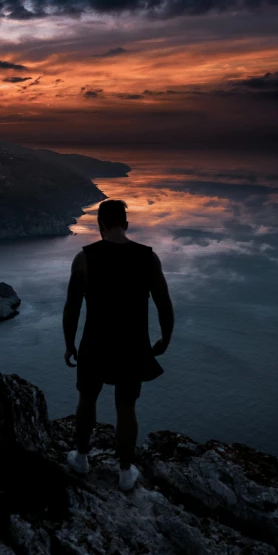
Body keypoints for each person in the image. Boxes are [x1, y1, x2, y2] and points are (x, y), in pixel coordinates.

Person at [62, 199, 174, 491]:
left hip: (95, 343)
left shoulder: (84, 259)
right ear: (125, 224)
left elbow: (71, 308)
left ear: (100, 225)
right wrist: (165, 338)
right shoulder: (148, 258)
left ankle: (81, 458)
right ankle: (125, 473)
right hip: (132, 346)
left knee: (87, 399)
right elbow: (164, 303)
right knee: (126, 407)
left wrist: (69, 344)